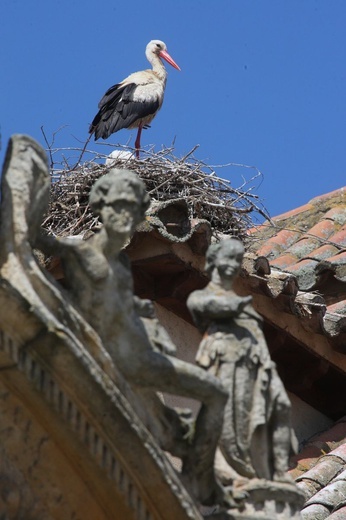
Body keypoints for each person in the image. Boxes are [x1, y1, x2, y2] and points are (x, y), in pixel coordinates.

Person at [187, 239, 295, 482]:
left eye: (235, 261)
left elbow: (256, 337)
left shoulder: (242, 305)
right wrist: (239, 308)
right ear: (213, 263)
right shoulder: (202, 298)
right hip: (225, 364)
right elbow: (205, 308)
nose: (231, 266)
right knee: (230, 415)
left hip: (254, 368)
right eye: (226, 259)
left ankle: (264, 469)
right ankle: (237, 467)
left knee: (268, 413)